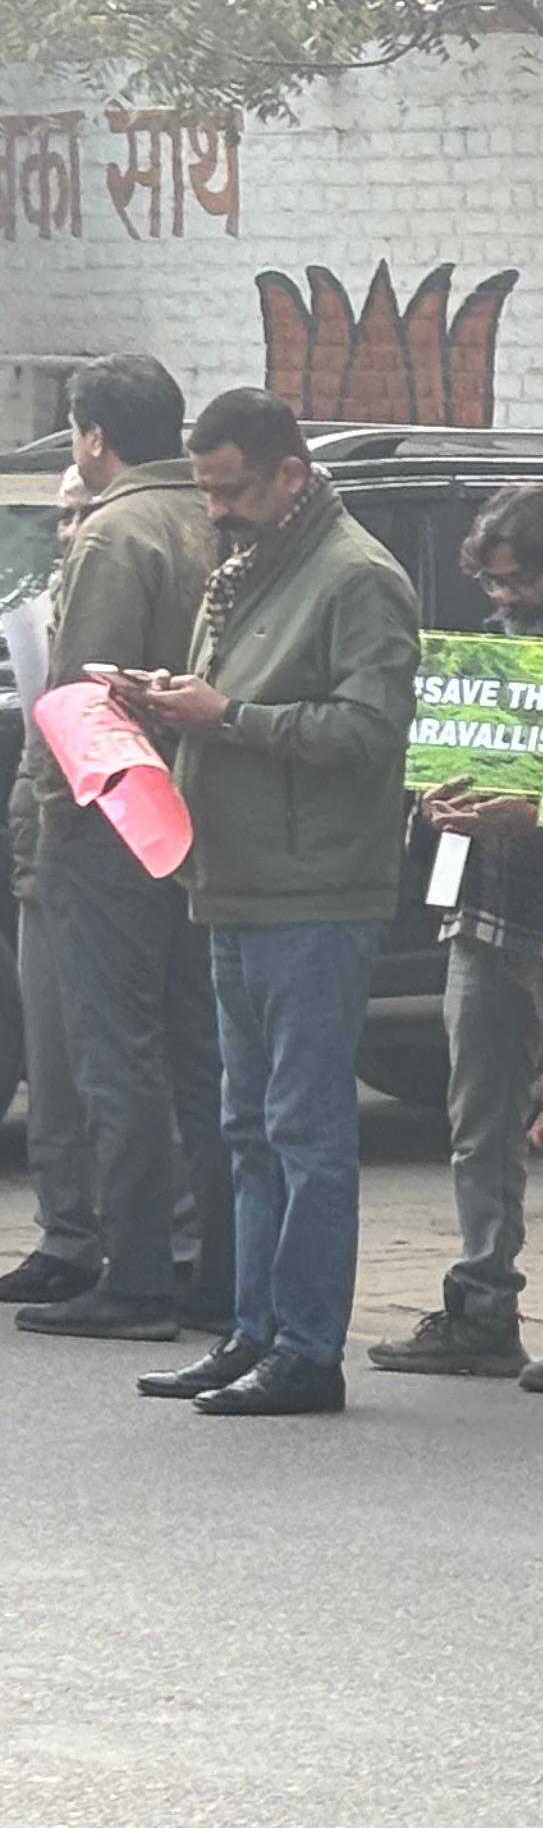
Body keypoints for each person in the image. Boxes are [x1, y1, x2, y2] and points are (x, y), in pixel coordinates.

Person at [114, 389, 419, 1418]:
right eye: (206, 489)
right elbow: (232, 698)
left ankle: (307, 1347)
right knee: (246, 1124)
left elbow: (372, 733)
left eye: (232, 488)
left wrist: (230, 717)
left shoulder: (358, 576)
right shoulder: (250, 563)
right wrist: (171, 699)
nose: (216, 508)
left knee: (304, 1128)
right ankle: (254, 1330)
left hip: (315, 889)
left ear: (293, 473)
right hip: (235, 880)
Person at [370, 486, 543, 1387]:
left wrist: (539, 810)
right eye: (493, 583)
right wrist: (432, 797)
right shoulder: (484, 652)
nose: (505, 600)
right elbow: (441, 763)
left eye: (519, 582)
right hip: (479, 907)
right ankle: (481, 1302)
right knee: (477, 1118)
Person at [18, 354, 230, 1349]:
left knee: (117, 1052)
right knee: (197, 1052)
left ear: (92, 437)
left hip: (114, 822)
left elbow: (77, 701)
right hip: (201, 815)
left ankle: (137, 1273)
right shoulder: (209, 516)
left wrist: (50, 818)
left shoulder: (117, 529)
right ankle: (210, 1269)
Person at [4, 470, 103, 1304]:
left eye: (82, 512)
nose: (68, 530)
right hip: (45, 848)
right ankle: (65, 1234)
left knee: (114, 1058)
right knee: (54, 1061)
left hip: (104, 854)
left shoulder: (125, 577)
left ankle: (153, 1242)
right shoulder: (44, 600)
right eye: (63, 516)